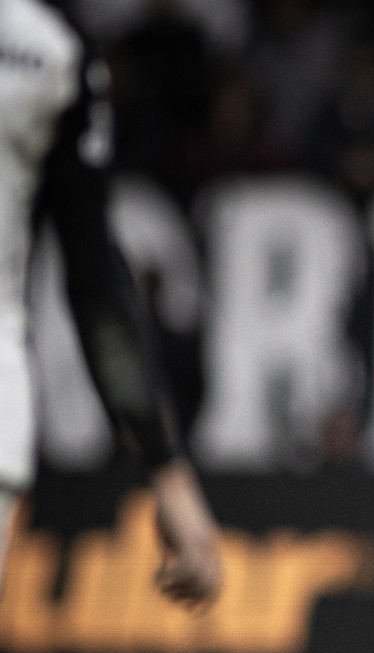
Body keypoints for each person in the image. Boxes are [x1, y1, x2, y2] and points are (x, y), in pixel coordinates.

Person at [0, 0, 219, 604]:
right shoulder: (49, 49)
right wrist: (169, 474)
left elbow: (96, 278)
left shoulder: (50, 53)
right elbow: (95, 279)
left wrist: (166, 471)